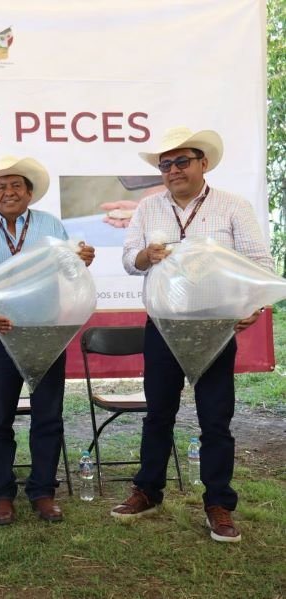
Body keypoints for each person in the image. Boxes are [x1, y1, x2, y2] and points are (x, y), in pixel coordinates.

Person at [113, 127, 274, 543]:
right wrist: (146, 255)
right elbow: (130, 260)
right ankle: (148, 490)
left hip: (214, 326)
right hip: (164, 325)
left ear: (203, 163)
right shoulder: (148, 207)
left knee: (215, 419)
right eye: (165, 164)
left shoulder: (232, 207)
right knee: (158, 414)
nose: (173, 170)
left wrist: (250, 306)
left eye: (182, 161)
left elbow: (259, 263)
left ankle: (218, 502)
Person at [0, 156, 95, 526]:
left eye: (16, 185)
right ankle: (1, 494)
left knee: (48, 415)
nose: (8, 192)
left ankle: (43, 492)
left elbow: (69, 269)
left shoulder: (50, 225)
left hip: (46, 331)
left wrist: (83, 260)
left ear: (30, 193)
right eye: (0, 187)